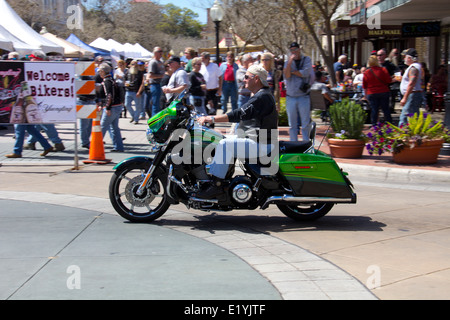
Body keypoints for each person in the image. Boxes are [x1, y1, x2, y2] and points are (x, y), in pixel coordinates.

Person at [196, 64, 278, 199]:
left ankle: (216, 185)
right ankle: (221, 176)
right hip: (258, 141)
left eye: (246, 77)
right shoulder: (261, 95)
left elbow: (239, 113)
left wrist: (211, 118)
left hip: (261, 144)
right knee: (221, 140)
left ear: (256, 78)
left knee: (224, 144)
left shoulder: (261, 97)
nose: (243, 79)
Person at [283, 42, 313, 142]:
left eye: (296, 49)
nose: (294, 52)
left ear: (299, 49)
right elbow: (287, 76)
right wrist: (290, 61)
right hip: (290, 96)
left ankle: (305, 143)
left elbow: (305, 73)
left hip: (303, 96)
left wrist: (292, 72)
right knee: (292, 124)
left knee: (305, 123)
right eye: (292, 50)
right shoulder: (287, 62)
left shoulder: (306, 60)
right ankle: (293, 143)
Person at [363, 55, 392, 125]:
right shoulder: (383, 70)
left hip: (372, 92)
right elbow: (389, 80)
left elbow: (365, 85)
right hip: (383, 91)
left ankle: (374, 125)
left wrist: (365, 95)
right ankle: (389, 124)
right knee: (386, 109)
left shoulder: (366, 72)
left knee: (374, 110)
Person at [399, 48, 423, 126]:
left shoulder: (413, 68)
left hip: (412, 95)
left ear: (409, 58)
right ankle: (413, 135)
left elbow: (412, 83)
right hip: (413, 94)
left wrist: (405, 98)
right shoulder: (416, 67)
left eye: (405, 57)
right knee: (413, 116)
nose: (404, 59)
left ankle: (402, 134)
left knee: (405, 117)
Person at [124, 60, 145, 124]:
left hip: (136, 91)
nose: (134, 66)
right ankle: (133, 116)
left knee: (138, 106)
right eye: (133, 64)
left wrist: (139, 91)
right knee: (127, 104)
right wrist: (125, 83)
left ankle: (136, 119)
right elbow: (124, 79)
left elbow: (142, 83)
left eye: (136, 64)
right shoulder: (127, 72)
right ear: (130, 65)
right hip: (128, 90)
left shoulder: (140, 73)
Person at [146, 47, 165, 116]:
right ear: (155, 53)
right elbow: (151, 75)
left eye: (161, 51)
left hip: (160, 85)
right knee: (155, 105)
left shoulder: (160, 62)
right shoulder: (153, 62)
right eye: (159, 51)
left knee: (159, 104)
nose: (161, 53)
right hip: (155, 85)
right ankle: (153, 124)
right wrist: (162, 76)